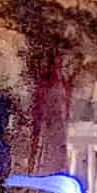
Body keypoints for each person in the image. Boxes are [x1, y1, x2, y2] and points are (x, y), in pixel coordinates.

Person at [28, 45, 74, 176]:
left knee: (56, 155)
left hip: (56, 126)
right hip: (47, 125)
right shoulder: (45, 83)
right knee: (46, 155)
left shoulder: (59, 82)